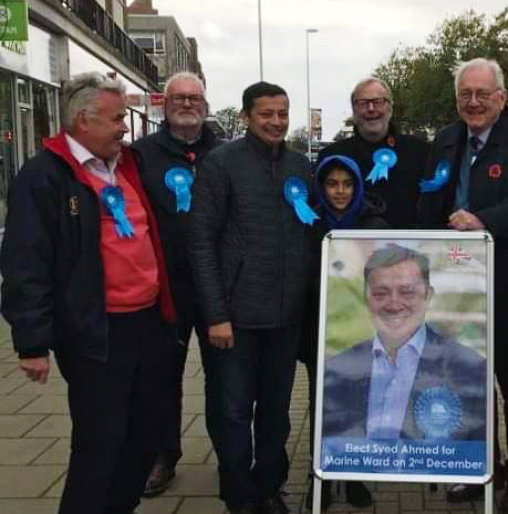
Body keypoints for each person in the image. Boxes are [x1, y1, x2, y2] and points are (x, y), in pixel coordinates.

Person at [0, 72, 178, 514]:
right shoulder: (45, 175)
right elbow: (26, 261)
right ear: (83, 120)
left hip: (148, 323)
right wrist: (32, 341)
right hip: (96, 333)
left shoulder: (128, 165)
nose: (124, 127)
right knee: (100, 444)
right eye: (117, 118)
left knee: (146, 435)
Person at [418, 58, 508, 513]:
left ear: (502, 96)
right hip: (456, 284)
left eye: (481, 94)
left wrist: (482, 221)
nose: (472, 103)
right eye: (464, 95)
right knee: (467, 381)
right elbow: (429, 199)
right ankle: (479, 468)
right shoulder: (444, 140)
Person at [189, 81, 314, 514]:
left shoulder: (301, 166)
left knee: (276, 412)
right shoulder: (220, 164)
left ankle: (269, 487)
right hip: (236, 319)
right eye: (266, 114)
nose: (276, 122)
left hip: (286, 317)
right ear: (245, 117)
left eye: (283, 113)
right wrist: (215, 314)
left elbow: (318, 228)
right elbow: (201, 241)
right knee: (234, 412)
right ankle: (239, 494)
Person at [133, 70, 224, 496]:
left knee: (225, 379)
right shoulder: (141, 155)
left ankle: (232, 455)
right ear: (164, 104)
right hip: (163, 288)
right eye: (178, 98)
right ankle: (161, 457)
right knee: (160, 379)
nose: (187, 105)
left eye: (194, 98)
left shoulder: (225, 153)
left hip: (217, 289)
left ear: (206, 105)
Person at [322, 244, 487, 441]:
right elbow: (331, 447)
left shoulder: (470, 367)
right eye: (380, 293)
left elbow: (475, 455)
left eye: (407, 292)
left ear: (428, 296)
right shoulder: (337, 369)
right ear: (366, 298)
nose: (394, 304)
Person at [300, 154, 387, 510]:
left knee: (357, 400)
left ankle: (352, 475)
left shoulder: (374, 222)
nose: (339, 191)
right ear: (321, 186)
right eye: (332, 184)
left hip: (360, 328)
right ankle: (319, 474)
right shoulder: (308, 220)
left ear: (358, 186)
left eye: (347, 184)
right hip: (317, 327)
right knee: (322, 402)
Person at [318, 77, 429, 228]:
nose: (371, 109)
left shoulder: (421, 152)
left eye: (378, 101)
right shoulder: (331, 156)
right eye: (362, 103)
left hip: (409, 247)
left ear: (390, 107)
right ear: (354, 110)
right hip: (353, 249)